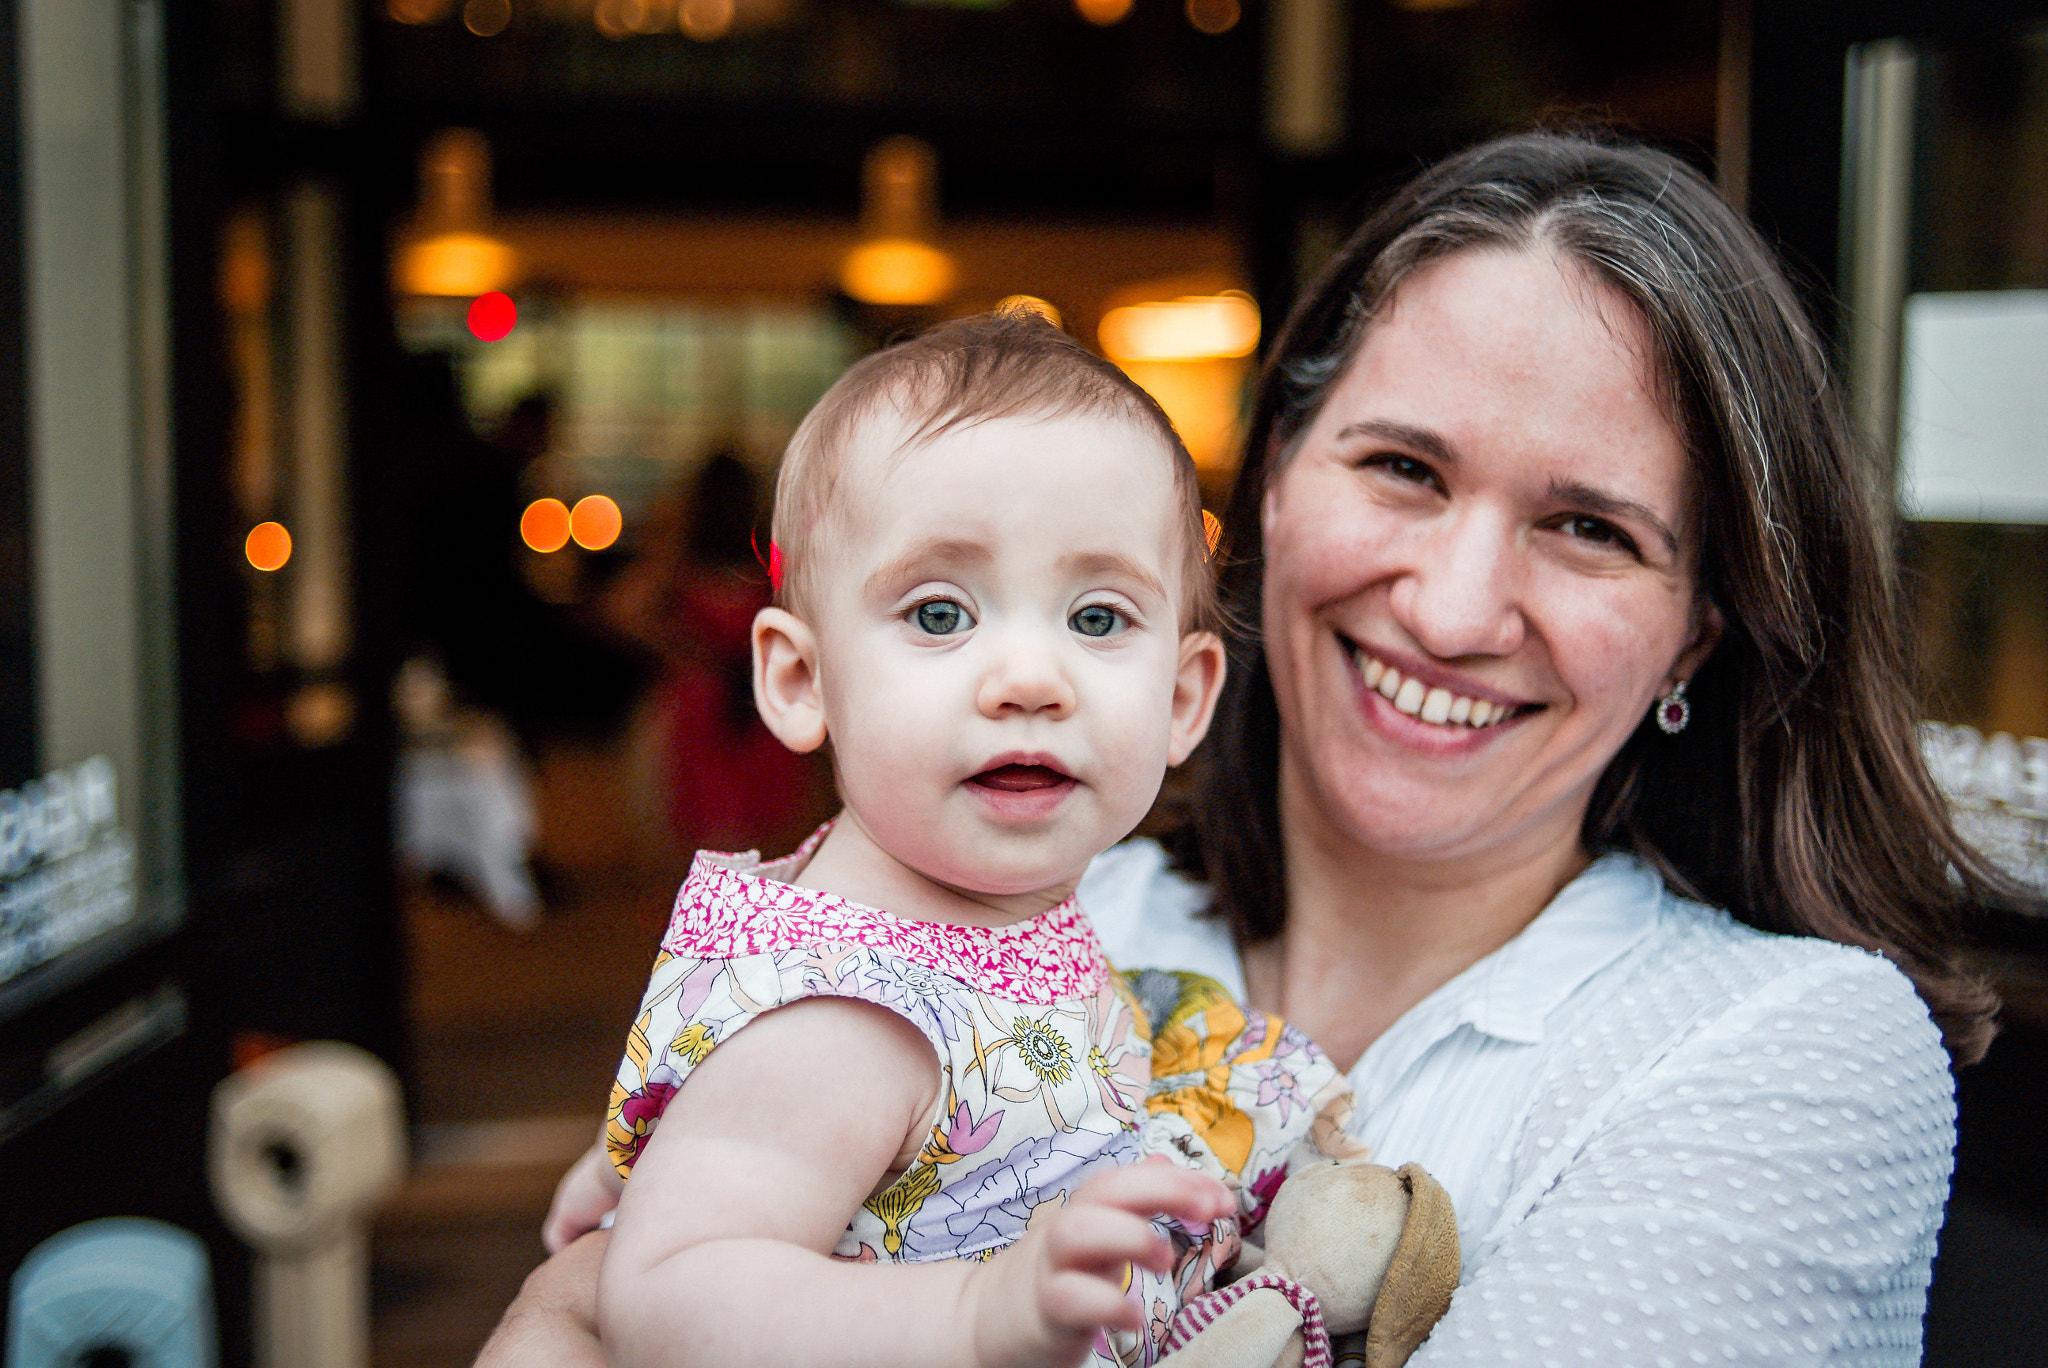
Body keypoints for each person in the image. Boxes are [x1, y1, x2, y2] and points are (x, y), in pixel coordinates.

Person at [479, 131, 2013, 1368]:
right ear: (1271, 484)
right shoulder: (1034, 929)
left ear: (1700, 628)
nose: (1456, 603)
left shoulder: (1778, 1050)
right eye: (1403, 467)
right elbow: (622, 1298)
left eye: (1589, 528)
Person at [582, 309, 1364, 1368]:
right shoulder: (846, 1017)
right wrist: (974, 1315)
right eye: (941, 614)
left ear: (1181, 700)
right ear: (800, 680)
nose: (1030, 681)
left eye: (1096, 619)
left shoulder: (995, 926)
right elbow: (666, 1293)